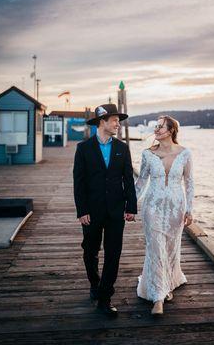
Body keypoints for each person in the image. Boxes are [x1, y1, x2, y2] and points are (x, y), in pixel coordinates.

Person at [73, 103, 137, 317]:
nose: (118, 124)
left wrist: (131, 207)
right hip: (91, 211)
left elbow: (128, 179)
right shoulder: (83, 148)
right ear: (102, 121)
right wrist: (82, 210)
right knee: (90, 251)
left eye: (119, 121)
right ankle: (94, 283)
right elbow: (79, 183)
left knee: (114, 254)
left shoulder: (122, 148)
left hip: (116, 211)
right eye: (115, 120)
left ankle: (105, 298)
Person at [135, 115, 194, 315]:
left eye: (160, 127)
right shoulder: (148, 154)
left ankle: (168, 280)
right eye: (156, 127)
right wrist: (129, 205)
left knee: (170, 247)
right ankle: (158, 297)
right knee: (156, 247)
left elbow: (190, 183)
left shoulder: (185, 153)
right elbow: (141, 182)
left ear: (170, 131)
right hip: (152, 206)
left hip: (176, 208)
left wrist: (189, 210)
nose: (156, 130)